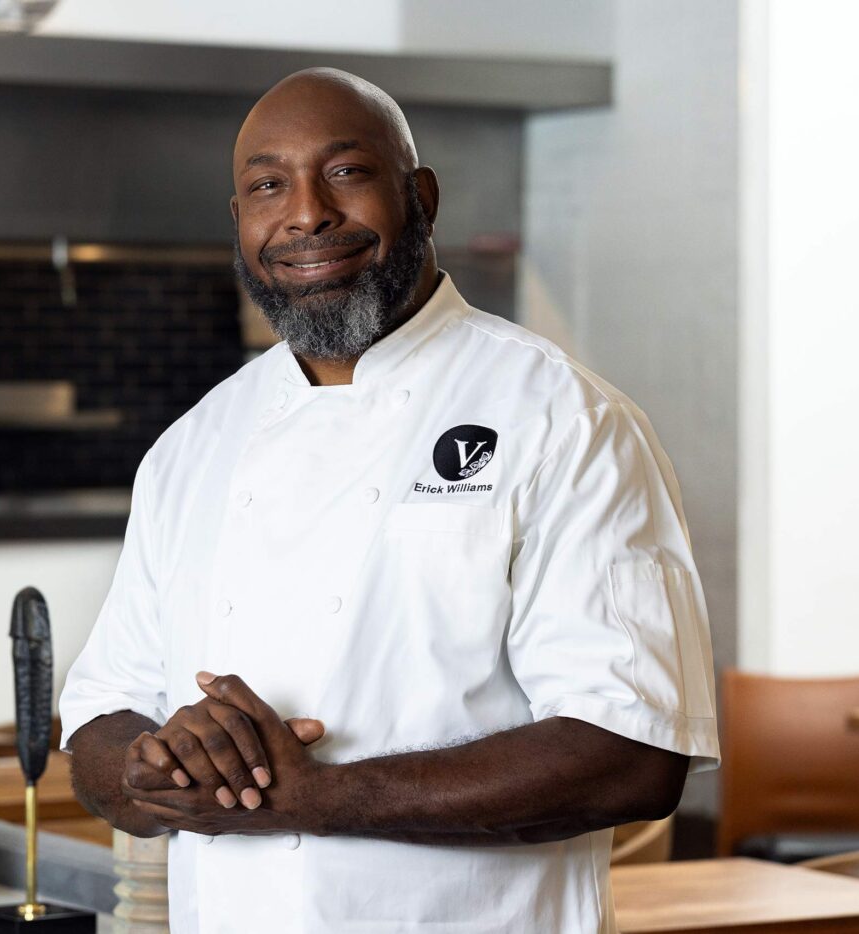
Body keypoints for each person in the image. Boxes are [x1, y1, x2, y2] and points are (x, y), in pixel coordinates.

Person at [60, 67, 718, 933]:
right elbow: (100, 722)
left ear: (422, 197)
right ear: (240, 222)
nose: (306, 214)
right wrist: (151, 771)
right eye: (268, 186)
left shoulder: (564, 417)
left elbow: (631, 755)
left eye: (345, 172)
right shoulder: (195, 445)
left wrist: (319, 799)